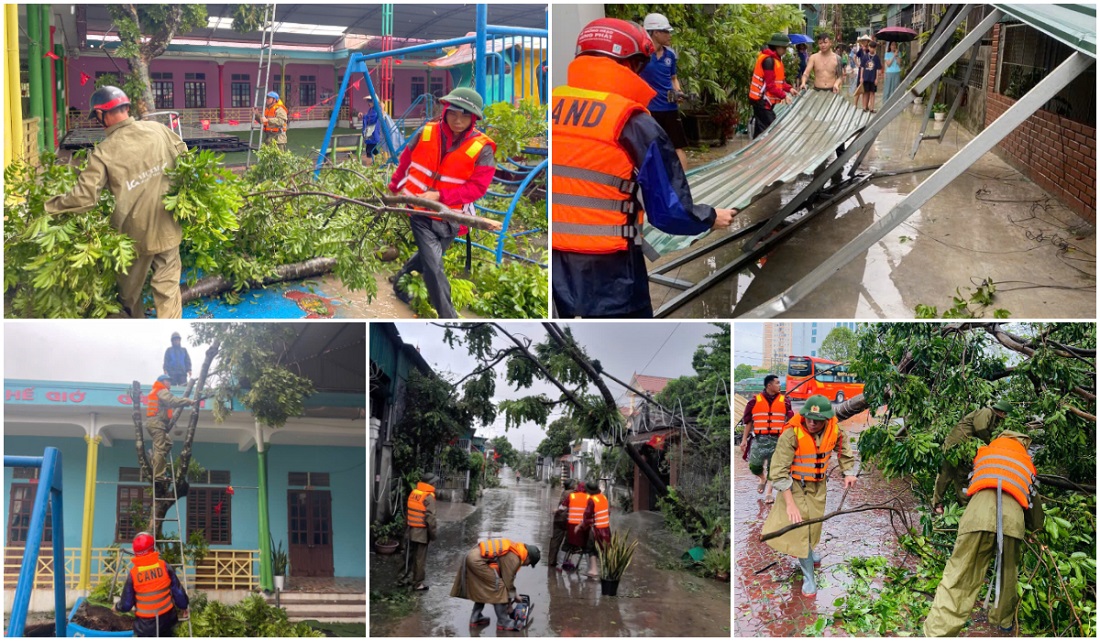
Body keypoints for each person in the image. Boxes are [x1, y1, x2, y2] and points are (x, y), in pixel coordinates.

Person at [551, 18, 736, 318]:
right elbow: (668, 212)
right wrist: (711, 217)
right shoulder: (632, 122)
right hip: (611, 268)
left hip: (555, 259)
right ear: (634, 64)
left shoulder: (553, 105)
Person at [45, 86, 188, 319]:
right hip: (168, 226)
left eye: (98, 116)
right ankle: (167, 331)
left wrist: (50, 206)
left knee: (129, 297)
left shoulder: (103, 152)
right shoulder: (158, 130)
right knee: (168, 289)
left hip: (132, 238)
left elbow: (84, 199)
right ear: (126, 107)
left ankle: (135, 327)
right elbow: (186, 159)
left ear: (103, 114)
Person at [388, 87, 496, 319]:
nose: (458, 120)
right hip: (419, 211)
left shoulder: (483, 149)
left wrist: (440, 196)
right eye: (454, 113)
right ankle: (450, 318)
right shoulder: (425, 132)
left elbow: (478, 188)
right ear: (445, 111)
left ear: (474, 118)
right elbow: (405, 161)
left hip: (451, 218)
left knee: (428, 258)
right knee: (434, 267)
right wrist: (393, 189)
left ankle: (398, 283)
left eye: (465, 115)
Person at [923, 431, 1044, 636]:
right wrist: (1036, 531)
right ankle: (1003, 621)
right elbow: (1034, 503)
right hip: (1011, 523)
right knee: (1008, 574)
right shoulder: (1024, 463)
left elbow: (969, 484)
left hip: (977, 518)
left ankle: (937, 632)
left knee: (960, 574)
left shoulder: (986, 455)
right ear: (1023, 444)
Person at [761, 395, 857, 596]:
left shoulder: (835, 429)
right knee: (800, 527)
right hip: (794, 486)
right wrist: (790, 504)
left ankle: (811, 552)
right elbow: (778, 472)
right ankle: (808, 576)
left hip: (818, 485)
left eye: (817, 419)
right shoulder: (791, 434)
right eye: (808, 418)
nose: (812, 423)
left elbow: (844, 450)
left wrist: (848, 472)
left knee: (814, 524)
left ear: (827, 419)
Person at [932, 399, 1011, 515]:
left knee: (963, 476)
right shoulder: (986, 412)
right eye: (1005, 414)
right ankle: (937, 504)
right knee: (946, 474)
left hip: (966, 449)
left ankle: (964, 505)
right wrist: (990, 443)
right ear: (1002, 412)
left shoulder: (993, 418)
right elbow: (980, 428)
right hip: (955, 445)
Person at [451, 538, 541, 631]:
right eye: (529, 563)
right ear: (528, 557)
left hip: (473, 556)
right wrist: (514, 596)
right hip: (477, 561)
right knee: (499, 587)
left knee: (484, 587)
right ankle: (504, 622)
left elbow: (503, 576)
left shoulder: (516, 550)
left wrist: (510, 601)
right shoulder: (514, 558)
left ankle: (476, 617)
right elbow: (507, 582)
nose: (527, 565)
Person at [638, 13, 688, 170]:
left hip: (670, 108)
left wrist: (678, 92)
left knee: (677, 147)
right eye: (665, 32)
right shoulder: (641, 56)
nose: (669, 35)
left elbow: (673, 78)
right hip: (649, 110)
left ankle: (686, 184)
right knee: (648, 148)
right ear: (654, 32)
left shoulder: (670, 55)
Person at [115, 532, 189, 637]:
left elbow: (126, 604)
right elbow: (178, 592)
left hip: (145, 627)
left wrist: (117, 607)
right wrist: (184, 606)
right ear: (152, 548)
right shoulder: (164, 566)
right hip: (167, 621)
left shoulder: (134, 574)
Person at [740, 374, 794, 503]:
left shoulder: (785, 401)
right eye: (777, 383)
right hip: (759, 439)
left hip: (778, 439)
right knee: (754, 466)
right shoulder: (754, 401)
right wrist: (743, 440)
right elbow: (749, 423)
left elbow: (791, 420)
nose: (779, 385)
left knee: (773, 467)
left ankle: (769, 493)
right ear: (769, 385)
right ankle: (762, 478)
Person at [146, 374, 197, 481]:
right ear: (161, 381)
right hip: (157, 424)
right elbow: (172, 401)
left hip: (156, 423)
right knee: (160, 450)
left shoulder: (158, 391)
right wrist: (187, 401)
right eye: (167, 381)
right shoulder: (161, 390)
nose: (169, 383)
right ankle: (159, 476)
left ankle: (156, 462)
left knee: (168, 443)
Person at [749, 33, 798, 138]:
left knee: (761, 131)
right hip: (761, 101)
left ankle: (755, 152)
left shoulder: (776, 59)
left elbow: (779, 82)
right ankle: (762, 152)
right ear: (777, 47)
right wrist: (784, 96)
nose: (785, 50)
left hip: (764, 102)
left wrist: (790, 89)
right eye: (784, 47)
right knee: (772, 129)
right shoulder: (768, 61)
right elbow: (770, 86)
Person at [405, 472, 437, 591]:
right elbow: (431, 519)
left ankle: (403, 579)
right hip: (422, 532)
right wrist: (433, 535)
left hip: (410, 529)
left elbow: (408, 511)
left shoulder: (414, 493)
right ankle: (418, 584)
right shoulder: (429, 497)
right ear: (431, 483)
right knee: (420, 559)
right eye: (434, 482)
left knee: (408, 556)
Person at [581, 480, 611, 578]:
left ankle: (594, 571)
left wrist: (582, 526)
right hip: (606, 529)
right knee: (605, 550)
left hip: (596, 530)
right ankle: (609, 571)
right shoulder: (604, 497)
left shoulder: (592, 500)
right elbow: (608, 512)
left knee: (591, 549)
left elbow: (587, 515)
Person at [549, 478, 576, 567]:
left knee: (555, 541)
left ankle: (552, 562)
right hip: (567, 519)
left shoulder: (564, 492)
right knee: (570, 541)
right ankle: (564, 562)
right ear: (571, 485)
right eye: (574, 484)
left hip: (558, 518)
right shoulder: (573, 493)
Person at [859, 40, 884, 113]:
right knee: (865, 92)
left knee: (872, 93)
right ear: (868, 47)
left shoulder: (876, 58)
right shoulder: (865, 57)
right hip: (866, 77)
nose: (872, 49)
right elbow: (862, 67)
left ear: (875, 48)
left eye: (873, 48)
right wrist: (861, 77)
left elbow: (877, 69)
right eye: (870, 47)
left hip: (873, 78)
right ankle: (864, 107)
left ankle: (871, 108)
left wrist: (877, 79)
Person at [360, 95, 381, 165]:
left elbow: (371, 119)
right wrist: (363, 116)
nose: (368, 103)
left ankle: (371, 165)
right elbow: (368, 117)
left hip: (373, 133)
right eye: (368, 101)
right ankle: (377, 162)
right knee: (372, 150)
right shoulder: (371, 110)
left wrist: (364, 117)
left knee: (370, 150)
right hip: (370, 134)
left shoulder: (376, 110)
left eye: (370, 101)